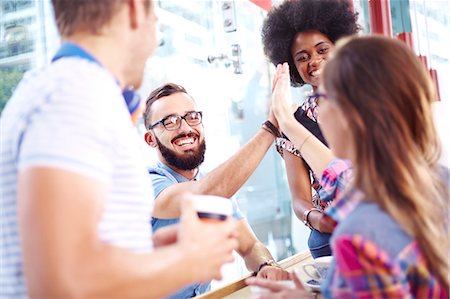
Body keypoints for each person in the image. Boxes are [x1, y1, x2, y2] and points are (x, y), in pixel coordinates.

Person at [0, 1, 240, 298]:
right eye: (156, 19)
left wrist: (148, 253)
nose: (155, 39)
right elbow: (59, 285)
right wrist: (187, 262)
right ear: (135, 8)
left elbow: (78, 259)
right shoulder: (75, 95)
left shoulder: (64, 89)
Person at [247, 36, 449, 298]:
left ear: (351, 115)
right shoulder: (437, 179)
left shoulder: (358, 235)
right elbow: (342, 177)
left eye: (325, 96)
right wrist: (285, 120)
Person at [143, 83, 290, 298]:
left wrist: (266, 265)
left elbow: (249, 246)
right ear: (150, 139)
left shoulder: (212, 186)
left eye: (192, 117)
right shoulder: (147, 184)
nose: (185, 128)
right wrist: (270, 129)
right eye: (170, 122)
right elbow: (206, 193)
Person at [261, 0, 360, 258]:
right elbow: (299, 200)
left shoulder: (370, 100)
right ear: (293, 67)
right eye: (302, 58)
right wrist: (317, 219)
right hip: (331, 233)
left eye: (322, 50)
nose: (314, 61)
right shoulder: (295, 121)